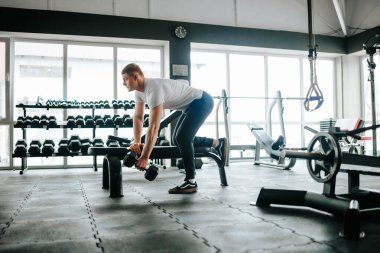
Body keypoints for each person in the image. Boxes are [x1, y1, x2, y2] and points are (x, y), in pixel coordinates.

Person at [121, 63, 227, 194]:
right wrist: (136, 142)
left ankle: (191, 181)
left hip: (202, 101)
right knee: (178, 139)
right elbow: (138, 117)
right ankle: (217, 143)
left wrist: (144, 157)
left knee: (182, 138)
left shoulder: (153, 89)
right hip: (190, 106)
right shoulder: (139, 92)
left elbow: (154, 127)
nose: (123, 83)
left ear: (135, 76)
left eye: (125, 79)